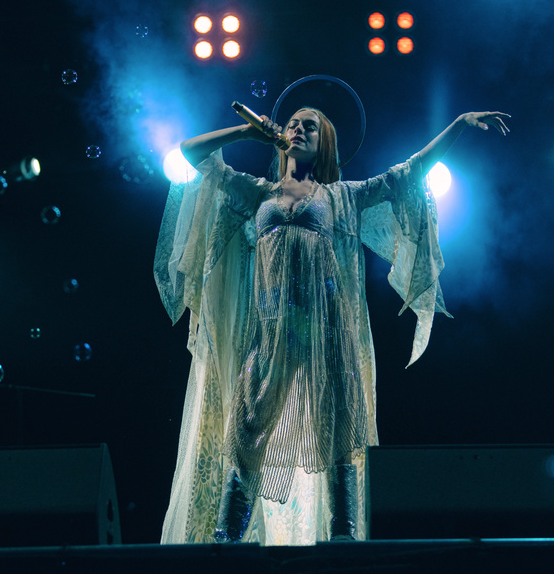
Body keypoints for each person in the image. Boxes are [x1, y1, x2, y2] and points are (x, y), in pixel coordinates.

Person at [155, 104, 509, 544]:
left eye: (311, 128)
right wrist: (248, 131)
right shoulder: (258, 194)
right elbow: (191, 155)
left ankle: (343, 547)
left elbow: (409, 173)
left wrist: (457, 125)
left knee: (341, 442)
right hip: (270, 336)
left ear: (325, 145)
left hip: (328, 336)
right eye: (293, 124)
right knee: (245, 440)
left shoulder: (342, 196)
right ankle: (227, 546)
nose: (299, 130)